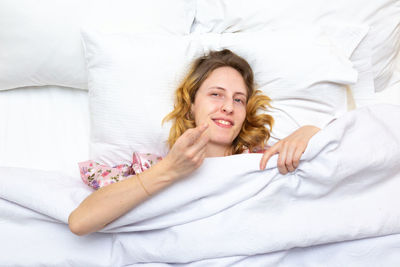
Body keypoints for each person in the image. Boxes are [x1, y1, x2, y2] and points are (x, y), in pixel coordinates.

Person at [68, 49, 320, 236]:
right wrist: (171, 170)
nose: (228, 107)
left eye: (239, 100)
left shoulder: (263, 161)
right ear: (190, 108)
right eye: (216, 94)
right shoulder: (153, 169)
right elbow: (80, 222)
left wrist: (308, 132)